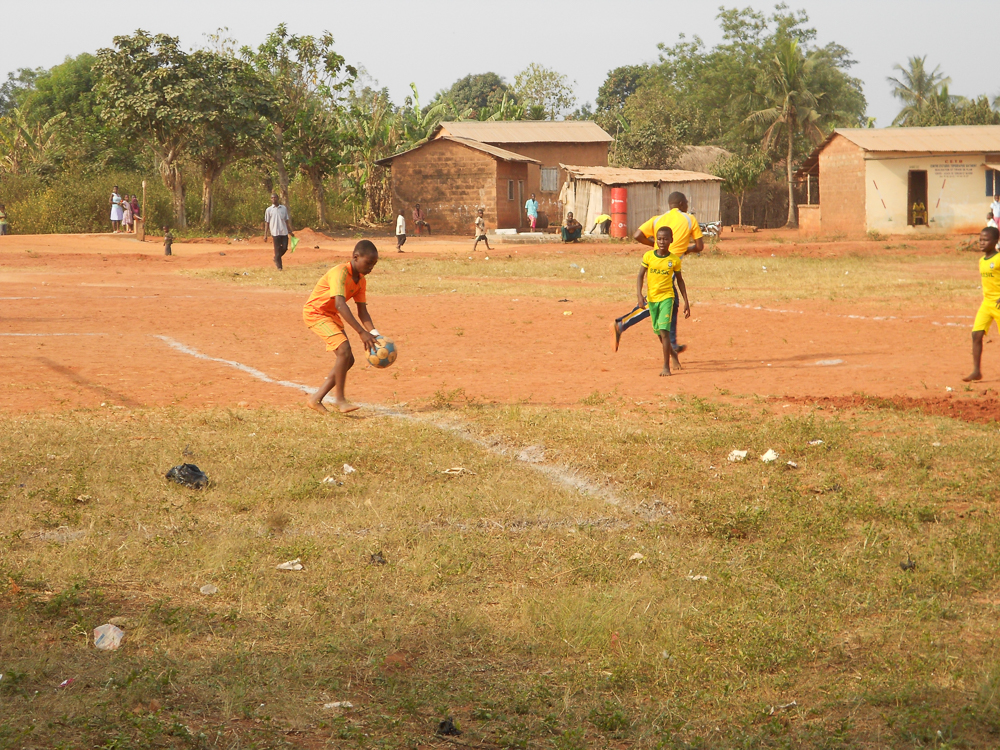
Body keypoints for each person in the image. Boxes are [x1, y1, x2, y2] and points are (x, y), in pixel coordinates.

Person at [611, 192, 703, 353]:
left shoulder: (658, 219)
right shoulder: (690, 219)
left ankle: (672, 345)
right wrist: (686, 250)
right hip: (668, 264)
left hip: (655, 260)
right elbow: (699, 246)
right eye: (686, 203)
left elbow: (637, 235)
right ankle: (622, 323)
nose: (687, 206)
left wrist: (656, 245)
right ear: (682, 204)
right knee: (657, 301)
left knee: (672, 303)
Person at [303, 240, 380, 414]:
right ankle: (340, 400)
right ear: (355, 257)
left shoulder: (360, 280)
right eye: (368, 263)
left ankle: (316, 399)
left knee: (348, 359)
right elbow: (339, 304)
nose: (370, 268)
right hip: (316, 313)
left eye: (374, 265)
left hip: (330, 315)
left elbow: (362, 311)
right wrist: (361, 332)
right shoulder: (340, 273)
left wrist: (375, 334)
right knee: (344, 351)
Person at [635, 226, 690, 375]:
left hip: (667, 298)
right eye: (659, 238)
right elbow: (640, 275)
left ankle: (666, 366)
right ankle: (673, 354)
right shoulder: (648, 257)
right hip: (652, 299)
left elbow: (680, 281)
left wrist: (686, 301)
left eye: (665, 239)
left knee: (665, 332)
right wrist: (639, 295)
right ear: (655, 240)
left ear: (671, 240)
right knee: (659, 332)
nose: (662, 241)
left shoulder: (674, 260)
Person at [964, 226, 1000, 382]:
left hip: (999, 303)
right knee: (976, 334)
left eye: (986, 240)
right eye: (980, 240)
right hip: (987, 303)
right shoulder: (981, 261)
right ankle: (976, 371)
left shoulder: (999, 259)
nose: (982, 243)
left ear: (996, 241)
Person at [263, 193, 294, 270]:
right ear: (271, 199)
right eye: (272, 198)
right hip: (275, 232)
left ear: (278, 198)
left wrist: (290, 231)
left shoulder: (283, 208)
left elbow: (286, 220)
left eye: (275, 198)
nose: (273, 199)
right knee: (277, 249)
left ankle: (276, 257)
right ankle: (279, 267)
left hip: (284, 231)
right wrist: (265, 235)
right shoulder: (269, 210)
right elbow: (267, 223)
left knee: (284, 248)